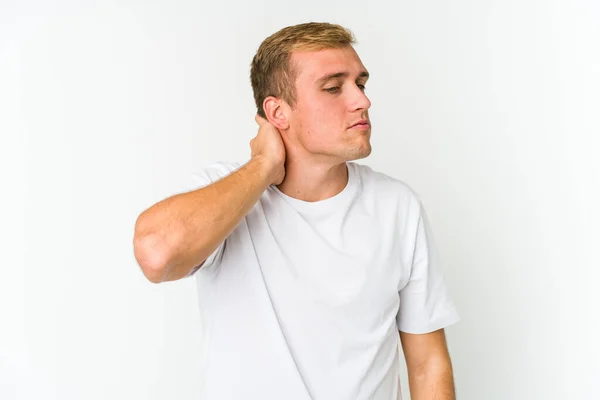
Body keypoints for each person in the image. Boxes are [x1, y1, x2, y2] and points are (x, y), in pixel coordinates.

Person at [133, 22, 460, 400]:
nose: (362, 101)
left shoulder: (397, 207)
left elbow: (427, 364)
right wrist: (263, 166)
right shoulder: (225, 194)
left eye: (361, 84)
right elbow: (156, 255)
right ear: (278, 112)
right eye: (334, 88)